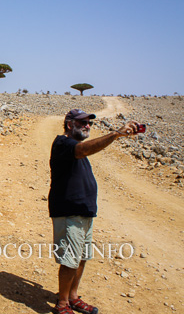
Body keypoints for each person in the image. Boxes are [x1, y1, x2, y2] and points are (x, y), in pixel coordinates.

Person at [49, 109, 141, 314]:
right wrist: (116, 133)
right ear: (69, 123)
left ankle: (73, 297)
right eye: (82, 123)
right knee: (70, 260)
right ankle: (62, 304)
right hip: (69, 211)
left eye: (89, 123)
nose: (87, 126)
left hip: (84, 212)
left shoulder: (76, 146)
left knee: (81, 257)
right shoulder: (63, 144)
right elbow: (83, 149)